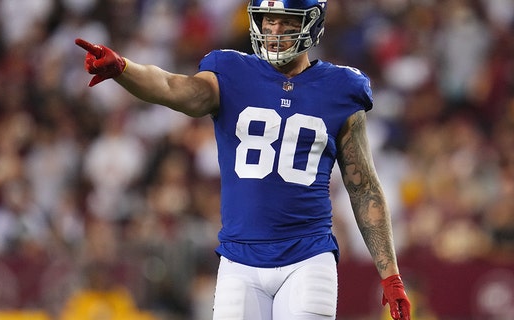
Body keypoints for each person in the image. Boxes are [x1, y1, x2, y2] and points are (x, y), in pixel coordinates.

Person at [74, 0, 411, 319]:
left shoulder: (341, 88)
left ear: (312, 23)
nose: (275, 30)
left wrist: (391, 276)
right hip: (239, 259)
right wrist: (123, 68)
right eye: (269, 20)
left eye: (287, 21)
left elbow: (363, 186)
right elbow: (175, 88)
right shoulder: (231, 71)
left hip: (309, 258)